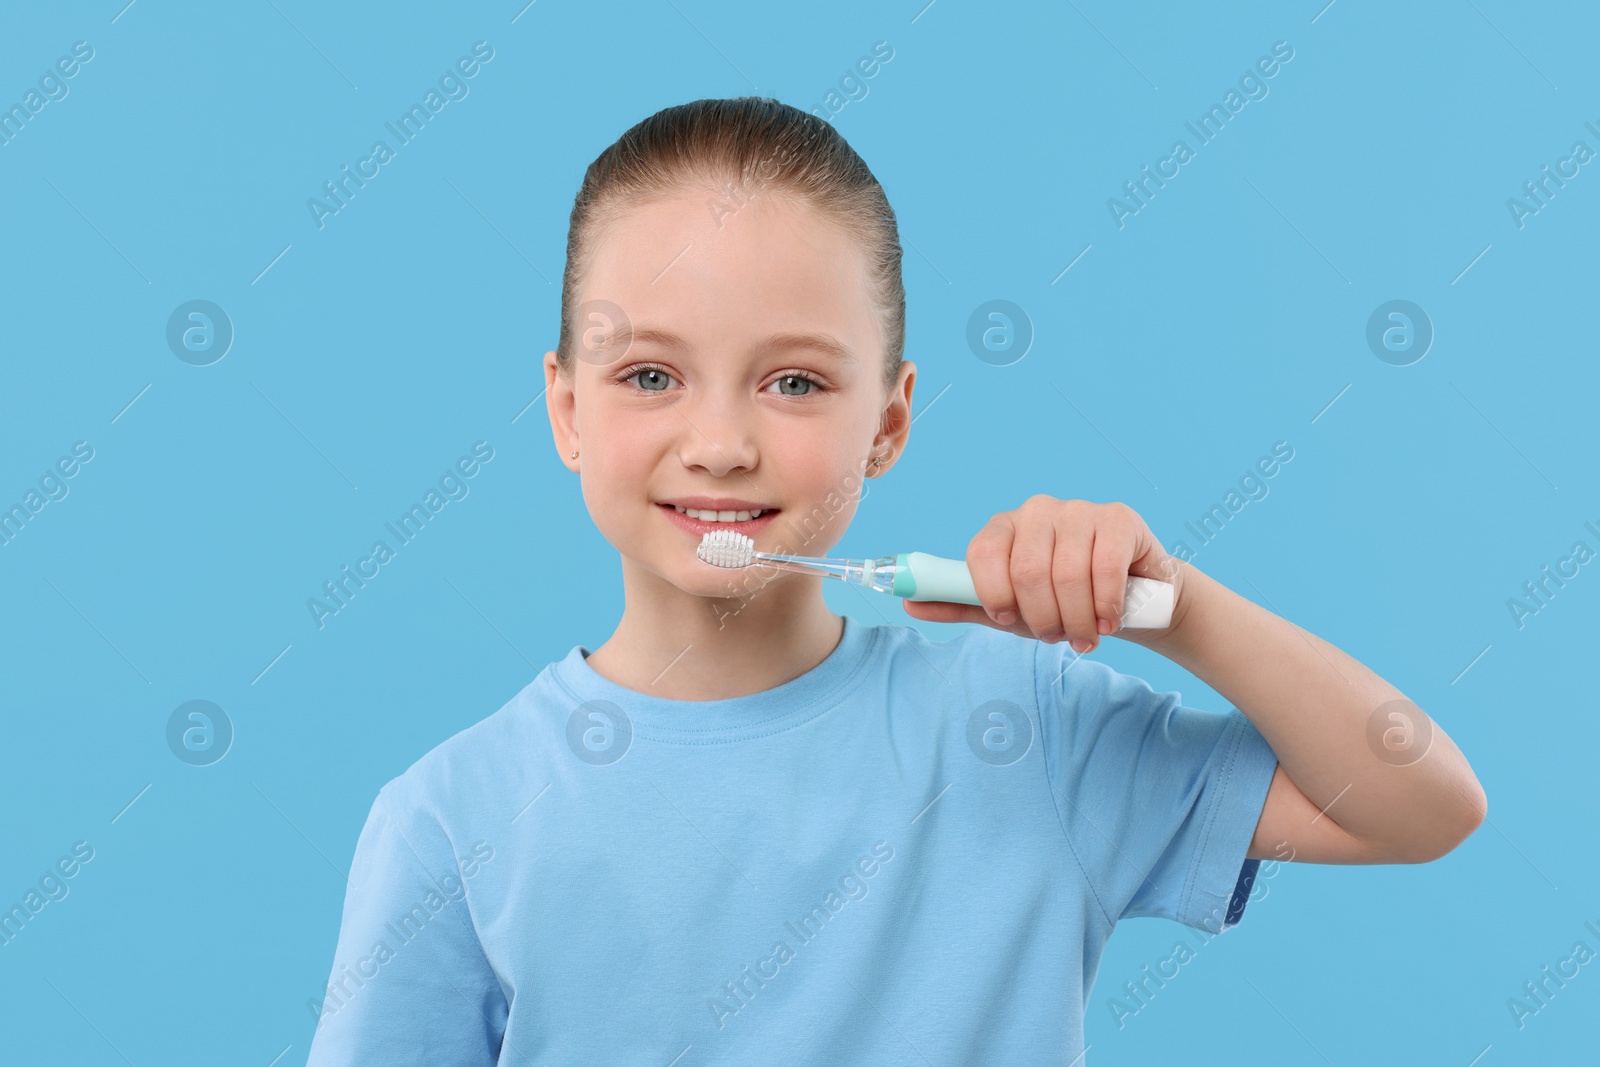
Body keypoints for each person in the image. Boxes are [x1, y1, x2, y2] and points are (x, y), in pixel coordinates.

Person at [304, 97, 1486, 1065]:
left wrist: (1168, 606)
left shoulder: (1026, 724)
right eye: (651, 375)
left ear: (891, 420)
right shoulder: (451, 817)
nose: (719, 442)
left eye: (797, 384)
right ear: (565, 408)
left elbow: (1423, 802)